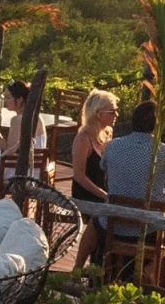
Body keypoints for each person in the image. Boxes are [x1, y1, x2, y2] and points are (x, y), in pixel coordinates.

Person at [100, 101, 165, 241]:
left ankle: (80, 261)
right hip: (150, 226)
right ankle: (154, 263)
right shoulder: (162, 151)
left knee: (94, 222)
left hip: (114, 221)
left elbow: (104, 169)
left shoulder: (113, 145)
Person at [70, 91, 118, 267]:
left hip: (102, 190)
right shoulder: (83, 138)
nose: (116, 115)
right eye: (111, 111)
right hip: (85, 191)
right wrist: (103, 194)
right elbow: (79, 176)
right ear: (98, 113)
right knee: (102, 219)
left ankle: (101, 268)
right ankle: (81, 266)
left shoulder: (108, 134)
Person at [0, 80, 46, 192]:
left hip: (21, 170)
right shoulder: (36, 117)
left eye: (8, 97)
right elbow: (16, 146)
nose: (5, 101)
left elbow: (10, 151)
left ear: (20, 99)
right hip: (36, 167)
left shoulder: (17, 120)